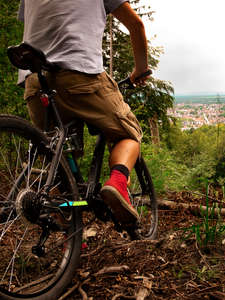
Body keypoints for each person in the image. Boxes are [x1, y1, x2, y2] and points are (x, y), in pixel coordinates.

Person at [18, 0, 151, 225]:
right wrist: (140, 70)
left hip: (34, 80)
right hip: (79, 73)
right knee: (128, 133)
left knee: (60, 155)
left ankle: (70, 234)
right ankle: (118, 183)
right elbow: (136, 25)